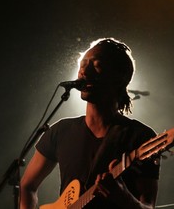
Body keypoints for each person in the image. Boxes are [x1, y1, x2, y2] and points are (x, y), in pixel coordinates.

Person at [20, 38, 160, 209]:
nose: (84, 71)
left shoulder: (141, 137)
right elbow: (27, 185)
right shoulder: (60, 131)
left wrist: (123, 197)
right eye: (82, 65)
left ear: (120, 77)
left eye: (97, 64)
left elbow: (148, 206)